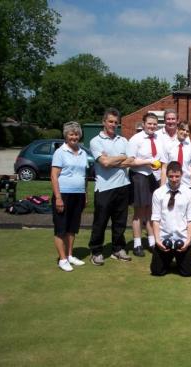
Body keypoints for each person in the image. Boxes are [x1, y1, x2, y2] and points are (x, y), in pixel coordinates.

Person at [88, 108, 133, 265]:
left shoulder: (123, 140)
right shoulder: (96, 141)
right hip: (104, 188)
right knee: (100, 222)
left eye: (115, 122)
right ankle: (96, 251)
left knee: (120, 221)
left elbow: (131, 161)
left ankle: (118, 249)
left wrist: (113, 160)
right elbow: (104, 163)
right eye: (110, 121)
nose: (113, 124)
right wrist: (122, 157)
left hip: (123, 186)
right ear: (104, 122)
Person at [51, 122, 89, 272]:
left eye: (76, 134)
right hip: (64, 195)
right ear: (66, 136)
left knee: (72, 228)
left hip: (78, 194)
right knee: (61, 228)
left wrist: (85, 194)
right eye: (71, 134)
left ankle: (70, 255)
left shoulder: (83, 152)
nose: (74, 137)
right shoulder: (60, 152)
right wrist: (58, 197)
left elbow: (84, 176)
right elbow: (54, 176)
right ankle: (62, 259)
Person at [127, 112, 163, 257]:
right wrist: (147, 162)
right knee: (139, 213)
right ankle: (137, 244)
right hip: (139, 176)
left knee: (150, 212)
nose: (152, 126)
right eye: (149, 123)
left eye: (154, 124)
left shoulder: (158, 138)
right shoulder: (135, 139)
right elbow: (130, 161)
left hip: (152, 177)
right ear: (143, 124)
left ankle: (152, 242)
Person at [150, 161, 191, 277]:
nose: (174, 179)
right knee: (157, 271)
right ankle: (166, 261)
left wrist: (188, 240)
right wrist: (157, 240)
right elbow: (155, 219)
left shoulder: (189, 194)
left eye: (177, 176)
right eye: (171, 176)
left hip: (182, 239)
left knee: (188, 272)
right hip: (164, 240)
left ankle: (178, 261)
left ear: (181, 175)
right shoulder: (158, 193)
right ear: (166, 175)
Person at [160, 121, 191, 189]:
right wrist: (162, 187)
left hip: (186, 184)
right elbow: (164, 168)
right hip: (170, 183)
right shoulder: (168, 145)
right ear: (177, 129)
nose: (185, 132)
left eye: (187, 131)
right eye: (183, 129)